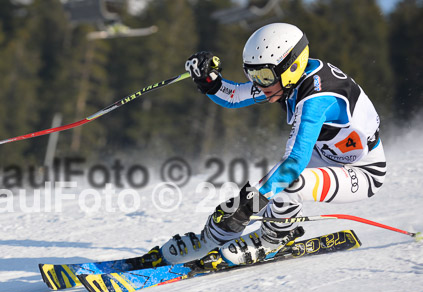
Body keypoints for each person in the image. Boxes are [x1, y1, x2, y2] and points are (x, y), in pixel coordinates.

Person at [152, 22, 385, 267]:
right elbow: (233, 96)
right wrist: (209, 80)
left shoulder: (317, 98)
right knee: (242, 204)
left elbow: (295, 162)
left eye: (263, 76)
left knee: (286, 185)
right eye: (252, 75)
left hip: (361, 171)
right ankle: (208, 242)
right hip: (324, 157)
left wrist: (248, 205)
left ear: (291, 66)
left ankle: (274, 239)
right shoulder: (284, 80)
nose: (259, 85)